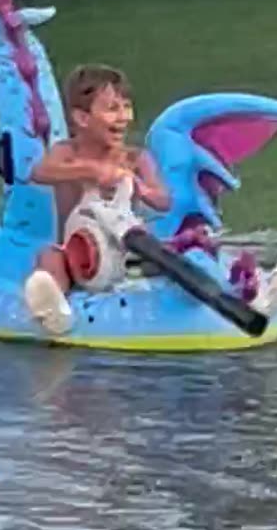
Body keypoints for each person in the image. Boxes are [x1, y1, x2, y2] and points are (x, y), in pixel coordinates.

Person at [23, 63, 171, 334]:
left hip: (127, 256)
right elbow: (39, 172)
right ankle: (55, 310)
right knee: (49, 257)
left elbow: (164, 201)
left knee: (172, 251)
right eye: (113, 109)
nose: (124, 117)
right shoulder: (67, 153)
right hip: (77, 259)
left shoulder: (135, 159)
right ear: (82, 118)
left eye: (127, 107)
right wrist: (90, 170)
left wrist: (142, 189)